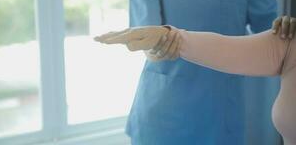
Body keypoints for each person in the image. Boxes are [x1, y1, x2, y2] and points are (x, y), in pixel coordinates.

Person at [128, 0, 277, 144]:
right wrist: (158, 47)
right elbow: (149, 45)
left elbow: (273, 33)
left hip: (222, 113)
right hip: (166, 117)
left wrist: (285, 27)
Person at [94, 16, 296, 145]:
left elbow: (264, 18)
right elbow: (227, 48)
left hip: (220, 105)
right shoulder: (291, 41)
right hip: (167, 106)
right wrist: (166, 36)